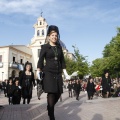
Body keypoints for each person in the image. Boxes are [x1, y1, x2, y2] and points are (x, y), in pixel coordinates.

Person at [37, 25, 67, 120]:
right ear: (49, 36)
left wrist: (65, 72)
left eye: (56, 35)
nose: (54, 37)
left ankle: (49, 107)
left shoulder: (59, 47)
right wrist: (38, 70)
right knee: (51, 92)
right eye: (52, 35)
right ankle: (51, 116)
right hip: (48, 72)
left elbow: (62, 60)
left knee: (58, 93)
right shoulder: (45, 47)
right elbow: (41, 59)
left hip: (58, 72)